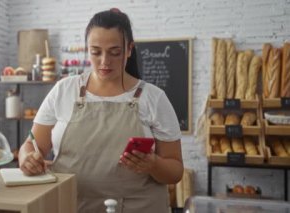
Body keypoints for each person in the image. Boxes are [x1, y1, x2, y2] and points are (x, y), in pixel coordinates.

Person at [19, 8, 183, 213]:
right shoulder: (64, 90)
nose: (105, 61)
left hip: (138, 207)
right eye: (96, 52)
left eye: (115, 52)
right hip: (71, 205)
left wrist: (153, 165)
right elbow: (31, 145)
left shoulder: (154, 98)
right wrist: (27, 158)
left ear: (129, 49)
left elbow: (175, 171)